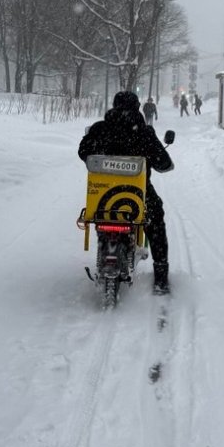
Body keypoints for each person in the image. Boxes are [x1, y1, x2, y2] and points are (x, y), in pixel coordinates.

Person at [79, 90, 175, 294]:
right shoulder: (143, 132)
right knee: (156, 219)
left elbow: (83, 153)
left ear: (113, 106)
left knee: (102, 215)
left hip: (104, 194)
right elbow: (163, 162)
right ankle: (161, 277)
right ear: (137, 108)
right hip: (138, 194)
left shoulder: (99, 129)